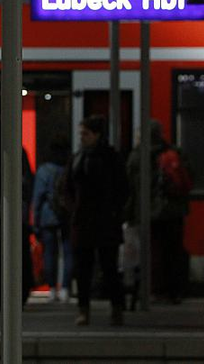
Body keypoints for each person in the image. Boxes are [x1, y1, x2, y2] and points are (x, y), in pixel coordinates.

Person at [65, 115, 129, 326]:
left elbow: (122, 189)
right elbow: (66, 188)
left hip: (102, 220)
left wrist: (114, 211)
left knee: (108, 268)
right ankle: (86, 308)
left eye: (85, 133)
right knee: (84, 269)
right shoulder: (80, 158)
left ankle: (113, 308)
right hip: (87, 220)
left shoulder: (107, 158)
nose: (81, 137)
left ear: (97, 134)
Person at [126, 119, 191, 305]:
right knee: (173, 251)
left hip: (150, 212)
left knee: (153, 252)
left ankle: (155, 290)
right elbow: (189, 177)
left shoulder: (137, 156)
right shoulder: (175, 152)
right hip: (174, 211)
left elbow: (131, 188)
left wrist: (129, 215)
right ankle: (174, 291)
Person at [31, 137, 73, 303]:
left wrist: (35, 221)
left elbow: (38, 197)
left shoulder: (44, 171)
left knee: (49, 253)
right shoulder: (69, 168)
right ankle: (66, 288)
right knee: (68, 252)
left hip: (48, 215)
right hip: (67, 214)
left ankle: (52, 289)